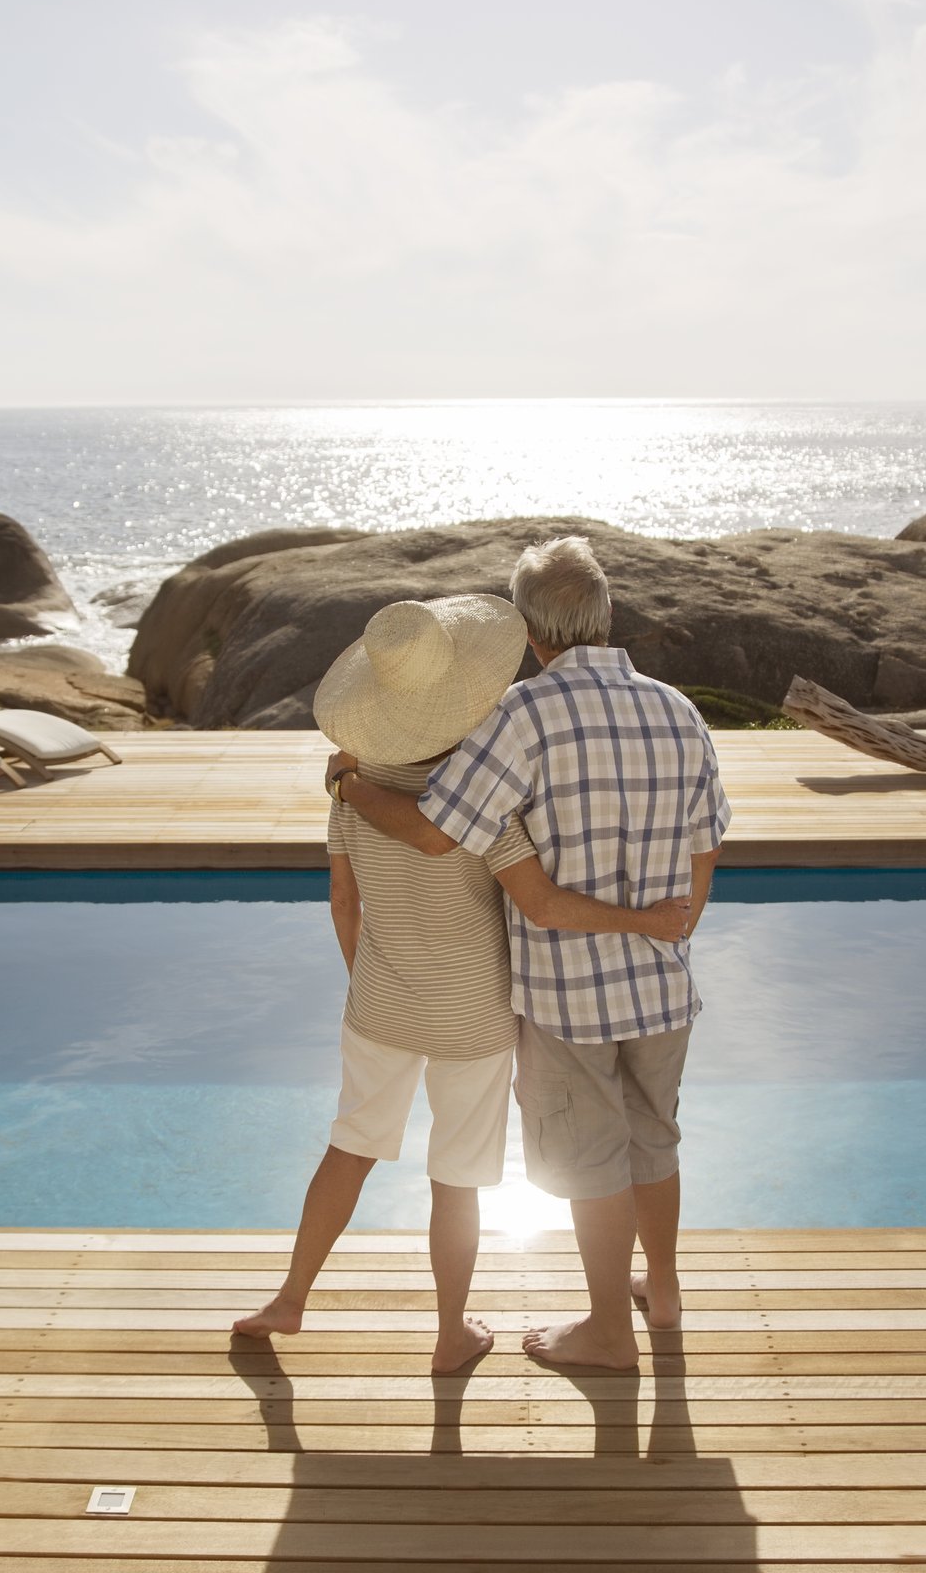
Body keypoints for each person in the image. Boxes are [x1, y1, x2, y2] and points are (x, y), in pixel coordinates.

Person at [233, 594, 690, 1374]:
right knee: (457, 1180)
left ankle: (290, 1297)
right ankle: (451, 1333)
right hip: (475, 1016)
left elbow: (346, 902)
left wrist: (372, 977)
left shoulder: (348, 788)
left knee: (349, 1149)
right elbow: (538, 903)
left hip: (380, 1003)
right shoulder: (490, 807)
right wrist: (651, 922)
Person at [331, 536, 729, 1371]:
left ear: (529, 631)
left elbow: (437, 836)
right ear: (606, 613)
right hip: (662, 983)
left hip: (567, 991)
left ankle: (608, 1334)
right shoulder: (677, 708)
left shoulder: (525, 714)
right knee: (654, 1138)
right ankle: (660, 1292)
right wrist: (661, 923)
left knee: (590, 1156)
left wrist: (353, 786)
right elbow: (701, 859)